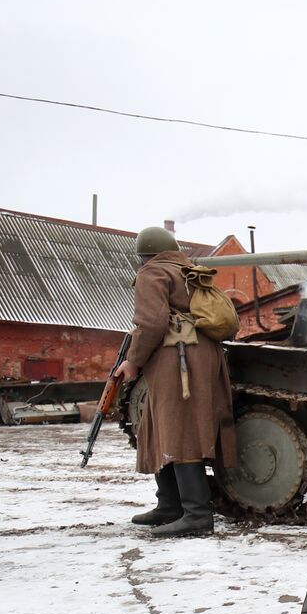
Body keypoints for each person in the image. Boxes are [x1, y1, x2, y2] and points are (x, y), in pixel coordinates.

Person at [113, 226, 236, 537]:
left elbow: (151, 322)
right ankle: (169, 505)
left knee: (181, 431)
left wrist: (133, 361)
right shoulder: (187, 270)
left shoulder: (152, 273)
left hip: (179, 359)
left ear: (144, 255)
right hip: (196, 355)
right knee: (160, 426)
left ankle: (195, 514)